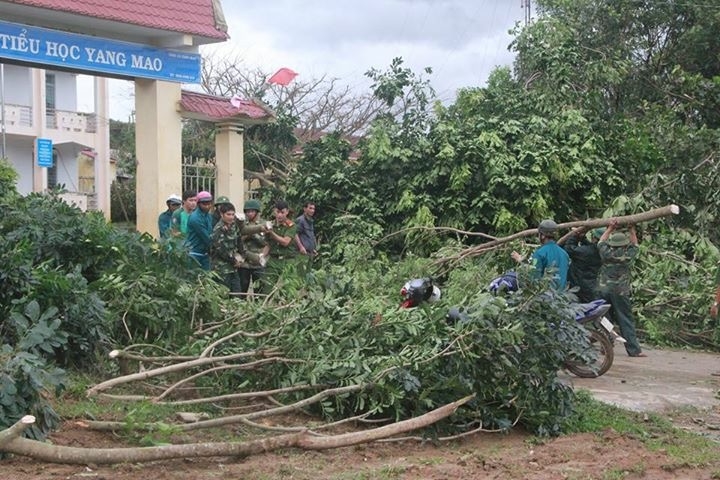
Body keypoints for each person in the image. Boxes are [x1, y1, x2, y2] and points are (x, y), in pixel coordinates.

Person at [597, 220, 645, 357]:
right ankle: (634, 350)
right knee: (625, 319)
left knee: (605, 319)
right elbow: (635, 245)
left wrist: (609, 228)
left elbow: (600, 242)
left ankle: (605, 345)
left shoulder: (606, 253)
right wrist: (632, 230)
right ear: (625, 244)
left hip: (604, 289)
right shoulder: (627, 255)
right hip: (620, 291)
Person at [511, 219, 570, 290]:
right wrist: (522, 261)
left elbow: (533, 278)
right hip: (562, 298)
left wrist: (522, 265)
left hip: (546, 298)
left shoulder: (540, 253)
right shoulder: (564, 254)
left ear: (542, 236)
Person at [560, 227, 604, 302]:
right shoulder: (603, 251)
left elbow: (569, 249)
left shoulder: (587, 252)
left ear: (594, 237)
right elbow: (590, 247)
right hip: (591, 285)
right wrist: (582, 238)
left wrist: (574, 236)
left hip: (578, 285)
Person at [238, 199, 270, 297]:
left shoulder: (264, 224)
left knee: (259, 290)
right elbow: (237, 240)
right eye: (247, 211)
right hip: (245, 261)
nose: (250, 214)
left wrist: (255, 235)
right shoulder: (242, 225)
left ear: (257, 212)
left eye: (252, 211)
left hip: (258, 260)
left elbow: (266, 242)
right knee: (242, 288)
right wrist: (247, 234)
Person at [210, 202, 244, 294]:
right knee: (223, 295)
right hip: (221, 269)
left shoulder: (234, 226)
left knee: (237, 294)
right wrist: (234, 261)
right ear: (221, 214)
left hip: (233, 268)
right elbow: (221, 250)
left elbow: (239, 241)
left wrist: (241, 257)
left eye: (233, 214)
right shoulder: (218, 229)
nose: (231, 217)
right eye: (228, 214)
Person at [264, 200, 299, 290]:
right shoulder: (270, 225)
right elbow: (268, 244)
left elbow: (285, 242)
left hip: (287, 261)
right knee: (267, 288)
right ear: (274, 211)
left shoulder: (291, 226)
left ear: (287, 212)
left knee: (289, 289)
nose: (279, 215)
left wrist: (272, 233)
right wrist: (261, 256)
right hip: (273, 260)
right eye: (277, 212)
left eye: (282, 212)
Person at [186, 191, 214, 270]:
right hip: (194, 252)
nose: (207, 206)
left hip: (205, 253)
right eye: (204, 204)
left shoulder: (208, 216)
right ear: (198, 204)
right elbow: (206, 237)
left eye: (209, 203)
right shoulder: (195, 218)